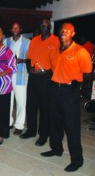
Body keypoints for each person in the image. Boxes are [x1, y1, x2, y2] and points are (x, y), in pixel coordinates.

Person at [41, 23, 92, 172]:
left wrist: (78, 84)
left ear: (73, 33)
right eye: (62, 30)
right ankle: (56, 149)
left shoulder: (80, 51)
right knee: (54, 122)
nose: (64, 32)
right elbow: (54, 69)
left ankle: (77, 159)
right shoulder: (55, 51)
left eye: (68, 31)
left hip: (70, 92)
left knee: (71, 127)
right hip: (54, 90)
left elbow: (88, 72)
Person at [20, 18, 60, 146]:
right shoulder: (35, 40)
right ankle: (31, 130)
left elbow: (57, 64)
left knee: (45, 108)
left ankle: (43, 134)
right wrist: (29, 69)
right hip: (33, 77)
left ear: (50, 27)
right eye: (41, 25)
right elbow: (29, 58)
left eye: (46, 25)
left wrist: (46, 72)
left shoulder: (55, 41)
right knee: (31, 105)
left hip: (46, 78)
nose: (43, 27)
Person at [3, 22, 30, 136]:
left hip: (21, 76)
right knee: (8, 101)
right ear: (11, 29)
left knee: (20, 102)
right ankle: (8, 122)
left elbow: (30, 59)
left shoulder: (27, 42)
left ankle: (19, 125)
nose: (15, 29)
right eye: (13, 27)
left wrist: (21, 60)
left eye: (17, 27)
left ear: (21, 29)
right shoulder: (6, 41)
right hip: (8, 76)